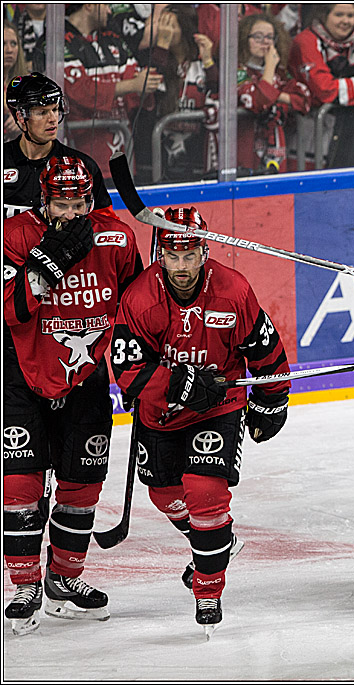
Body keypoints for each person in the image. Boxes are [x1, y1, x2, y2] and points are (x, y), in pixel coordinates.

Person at [110, 207, 291, 638]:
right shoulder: (139, 299)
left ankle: (208, 589)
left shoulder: (232, 290)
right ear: (160, 255)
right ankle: (216, 544)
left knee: (206, 493)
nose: (182, 266)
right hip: (162, 415)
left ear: (204, 251)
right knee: (166, 496)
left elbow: (264, 349)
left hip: (220, 407)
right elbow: (128, 372)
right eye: (173, 256)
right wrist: (182, 384)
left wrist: (272, 399)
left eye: (190, 255)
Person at [3, 156, 143, 636]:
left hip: (85, 379)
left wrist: (145, 374)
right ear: (44, 199)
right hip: (22, 375)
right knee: (18, 487)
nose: (71, 212)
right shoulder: (16, 235)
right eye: (61, 203)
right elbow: (10, 310)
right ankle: (24, 584)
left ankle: (65, 579)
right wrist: (48, 263)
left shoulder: (116, 237)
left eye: (80, 202)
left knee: (81, 487)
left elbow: (138, 311)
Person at [289, 3, 354, 168]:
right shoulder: (306, 40)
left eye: (350, 16)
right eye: (339, 15)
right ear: (323, 15)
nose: (346, 21)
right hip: (310, 131)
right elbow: (325, 90)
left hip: (351, 131)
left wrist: (346, 85)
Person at [3, 73, 113, 219]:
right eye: (42, 113)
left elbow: (106, 223)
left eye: (55, 110)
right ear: (21, 117)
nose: (52, 119)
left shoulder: (82, 166)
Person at [63, 3, 160, 167]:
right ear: (89, 5)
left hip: (123, 151)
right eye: (106, 5)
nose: (110, 11)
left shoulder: (113, 39)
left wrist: (144, 85)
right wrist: (131, 85)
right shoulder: (57, 43)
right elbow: (80, 92)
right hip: (82, 157)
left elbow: (137, 84)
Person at [133, 5, 219, 184]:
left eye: (169, 25)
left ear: (185, 28)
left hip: (197, 152)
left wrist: (209, 61)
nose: (164, 30)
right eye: (162, 24)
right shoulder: (152, 57)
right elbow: (150, 90)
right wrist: (161, 47)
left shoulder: (201, 60)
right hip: (158, 155)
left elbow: (218, 92)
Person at [237, 12, 311, 174]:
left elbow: (304, 99)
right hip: (245, 147)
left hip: (274, 148)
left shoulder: (280, 73)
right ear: (244, 39)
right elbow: (259, 102)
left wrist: (276, 95)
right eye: (258, 37)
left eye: (270, 37)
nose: (265, 42)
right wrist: (270, 67)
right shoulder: (238, 71)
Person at [4, 18, 30, 143]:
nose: (9, 50)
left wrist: (22, 123)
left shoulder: (26, 84)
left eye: (13, 44)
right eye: (3, 43)